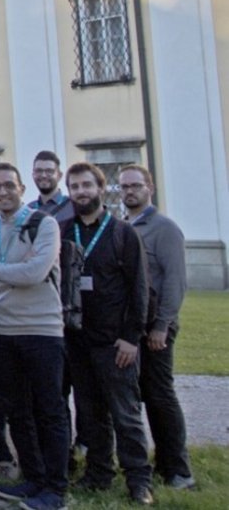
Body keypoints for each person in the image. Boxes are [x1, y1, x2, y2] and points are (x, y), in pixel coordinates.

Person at [0, 162, 69, 510]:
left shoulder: (44, 224)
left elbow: (38, 272)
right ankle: (33, 477)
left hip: (41, 330)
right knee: (18, 411)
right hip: (1, 330)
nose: (2, 191)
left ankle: (55, 487)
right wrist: (13, 275)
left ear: (21, 188)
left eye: (8, 185)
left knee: (50, 410)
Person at [59, 162, 152, 504]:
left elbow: (140, 290)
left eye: (87, 185)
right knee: (89, 412)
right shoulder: (63, 230)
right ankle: (98, 473)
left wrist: (132, 337)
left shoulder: (122, 233)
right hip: (76, 339)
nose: (81, 192)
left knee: (125, 414)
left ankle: (139, 481)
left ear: (100, 188)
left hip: (115, 341)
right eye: (75, 186)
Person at [119, 164, 195, 491]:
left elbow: (175, 281)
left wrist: (162, 325)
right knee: (133, 396)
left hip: (155, 326)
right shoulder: (122, 226)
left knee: (159, 395)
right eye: (123, 187)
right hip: (129, 325)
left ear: (149, 187)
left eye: (135, 185)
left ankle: (177, 469)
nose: (129, 192)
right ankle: (146, 462)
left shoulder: (164, 228)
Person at [29, 151, 73, 223]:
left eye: (49, 171)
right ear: (33, 174)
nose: (43, 175)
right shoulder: (29, 209)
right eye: (39, 171)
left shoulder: (72, 207)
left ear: (59, 175)